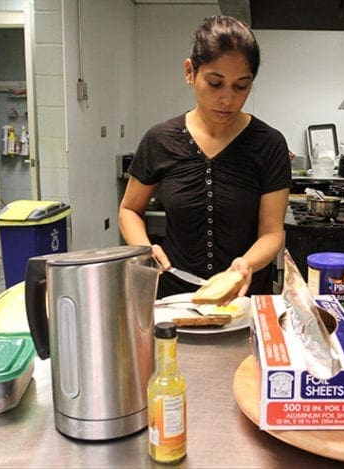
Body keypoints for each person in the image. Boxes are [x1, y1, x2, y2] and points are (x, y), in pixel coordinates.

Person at [119, 15, 291, 299]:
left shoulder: (269, 145)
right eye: (215, 83)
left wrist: (244, 266)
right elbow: (129, 210)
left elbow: (272, 233)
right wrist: (145, 247)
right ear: (190, 72)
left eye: (241, 86)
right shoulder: (160, 140)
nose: (227, 99)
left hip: (244, 300)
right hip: (175, 298)